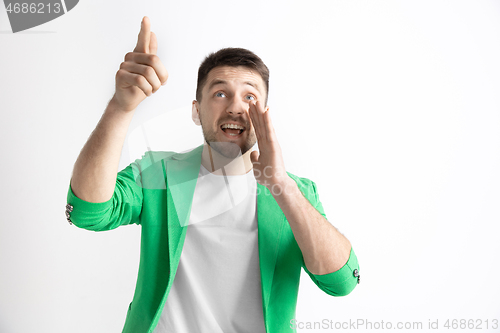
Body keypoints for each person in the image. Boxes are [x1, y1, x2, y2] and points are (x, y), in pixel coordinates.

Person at [66, 16, 360, 333]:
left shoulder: (295, 192)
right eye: (220, 93)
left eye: (250, 96)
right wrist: (120, 107)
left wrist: (282, 186)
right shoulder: (158, 174)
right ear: (197, 110)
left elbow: (341, 283)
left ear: (264, 115)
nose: (236, 107)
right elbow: (88, 213)